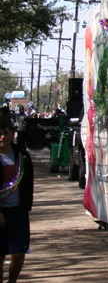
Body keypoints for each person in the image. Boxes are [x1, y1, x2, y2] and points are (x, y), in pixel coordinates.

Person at [0, 115, 33, 283]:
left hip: (18, 211)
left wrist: (26, 206)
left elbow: (28, 181)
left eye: (6, 133)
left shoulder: (21, 155)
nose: (2, 137)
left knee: (19, 251)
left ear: (12, 134)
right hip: (0, 213)